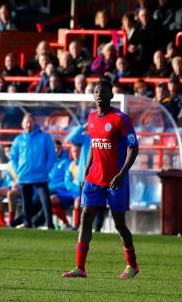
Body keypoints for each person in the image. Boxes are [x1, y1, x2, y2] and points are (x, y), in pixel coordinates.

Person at [63, 81, 140, 279]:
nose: (98, 95)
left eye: (102, 92)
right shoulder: (90, 118)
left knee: (119, 224)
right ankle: (80, 268)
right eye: (96, 92)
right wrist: (85, 172)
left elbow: (133, 147)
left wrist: (122, 174)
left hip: (115, 180)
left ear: (111, 95)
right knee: (85, 218)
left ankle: (132, 266)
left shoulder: (120, 119)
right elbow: (92, 146)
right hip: (94, 179)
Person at [9, 113, 56, 229]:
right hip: (24, 175)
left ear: (35, 123)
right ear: (22, 124)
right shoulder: (19, 139)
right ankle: (27, 223)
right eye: (26, 122)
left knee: (45, 200)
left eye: (30, 122)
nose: (29, 124)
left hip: (41, 175)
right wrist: (18, 171)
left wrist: (46, 169)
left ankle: (50, 223)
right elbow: (13, 157)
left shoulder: (44, 137)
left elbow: (51, 155)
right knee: (26, 202)